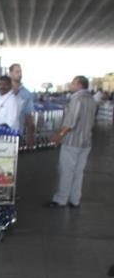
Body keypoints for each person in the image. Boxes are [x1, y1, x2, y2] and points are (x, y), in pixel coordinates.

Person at [45, 75, 97, 207]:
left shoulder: (77, 99)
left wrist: (58, 136)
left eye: (73, 83)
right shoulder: (92, 100)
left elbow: (70, 122)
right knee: (78, 172)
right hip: (86, 141)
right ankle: (75, 199)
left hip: (72, 141)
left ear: (80, 85)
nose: (71, 85)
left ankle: (61, 199)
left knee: (66, 171)